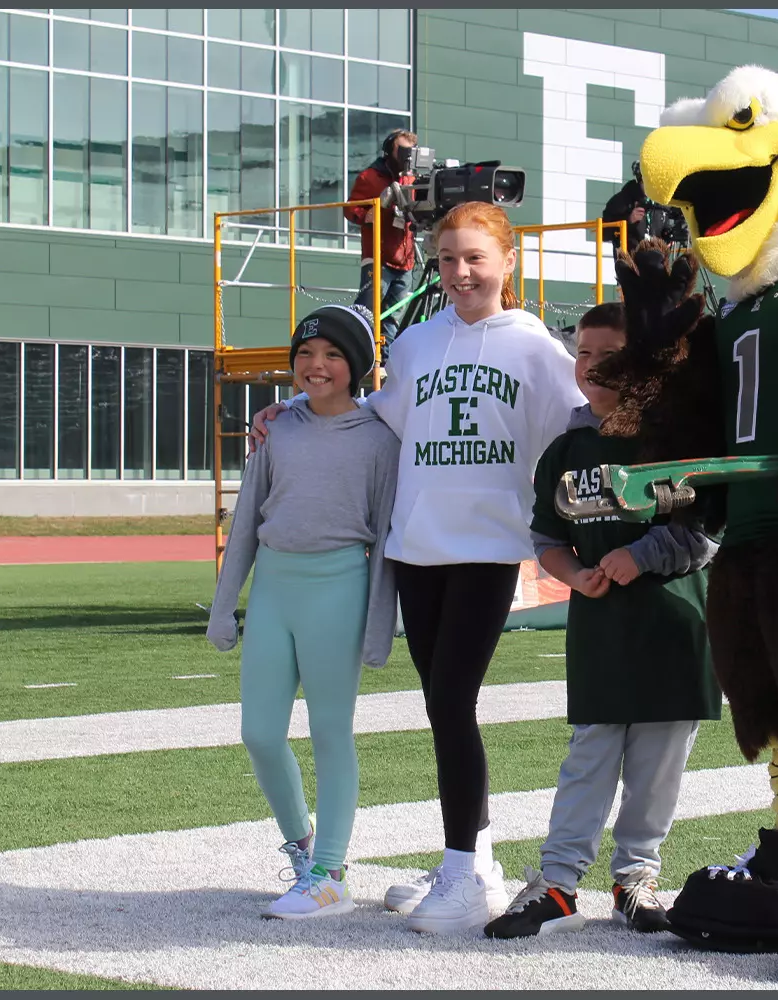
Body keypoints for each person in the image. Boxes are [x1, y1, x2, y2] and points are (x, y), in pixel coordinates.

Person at [248, 202, 586, 935]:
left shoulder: (534, 347)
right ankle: (478, 861)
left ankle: (463, 871)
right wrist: (288, 409)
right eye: (447, 259)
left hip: (489, 548)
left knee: (451, 702)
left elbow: (583, 421)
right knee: (441, 703)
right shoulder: (415, 345)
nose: (460, 273)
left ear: (508, 262)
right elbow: (366, 414)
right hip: (415, 548)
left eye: (474, 258)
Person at [483, 301, 722, 940]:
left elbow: (702, 533)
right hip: (600, 632)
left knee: (657, 766)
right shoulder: (566, 447)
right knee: (589, 757)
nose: (589, 365)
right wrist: (572, 574)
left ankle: (635, 880)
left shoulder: (674, 439)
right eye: (582, 352)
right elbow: (546, 537)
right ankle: (558, 884)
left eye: (605, 353)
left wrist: (639, 556)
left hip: (674, 629)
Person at [206, 303, 399, 921]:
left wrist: (379, 621)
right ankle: (303, 849)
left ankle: (332, 874)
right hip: (274, 585)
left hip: (338, 585)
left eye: (333, 356)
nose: (316, 367)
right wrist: (224, 604)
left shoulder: (378, 439)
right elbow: (245, 524)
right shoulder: (275, 427)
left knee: (329, 732)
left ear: (357, 367)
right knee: (259, 733)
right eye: (306, 356)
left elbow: (387, 537)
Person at [346, 129, 419, 342]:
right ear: (389, 150)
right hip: (378, 257)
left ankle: (384, 361)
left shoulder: (412, 178)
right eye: (403, 150)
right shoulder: (370, 177)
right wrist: (377, 208)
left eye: (411, 152)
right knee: (368, 312)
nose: (406, 156)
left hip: (405, 260)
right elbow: (351, 210)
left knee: (394, 318)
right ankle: (361, 351)